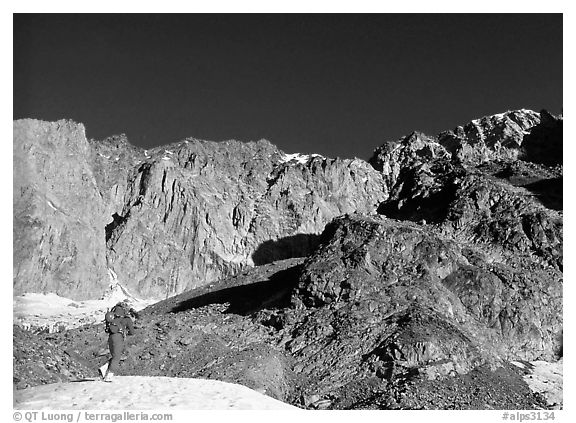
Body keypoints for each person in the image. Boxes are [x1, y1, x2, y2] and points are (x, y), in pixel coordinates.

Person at [103, 302, 135, 381]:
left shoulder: (113, 317)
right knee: (117, 357)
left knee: (114, 356)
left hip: (110, 337)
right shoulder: (126, 318)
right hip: (118, 337)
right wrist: (128, 331)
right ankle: (109, 376)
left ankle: (103, 369)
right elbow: (132, 332)